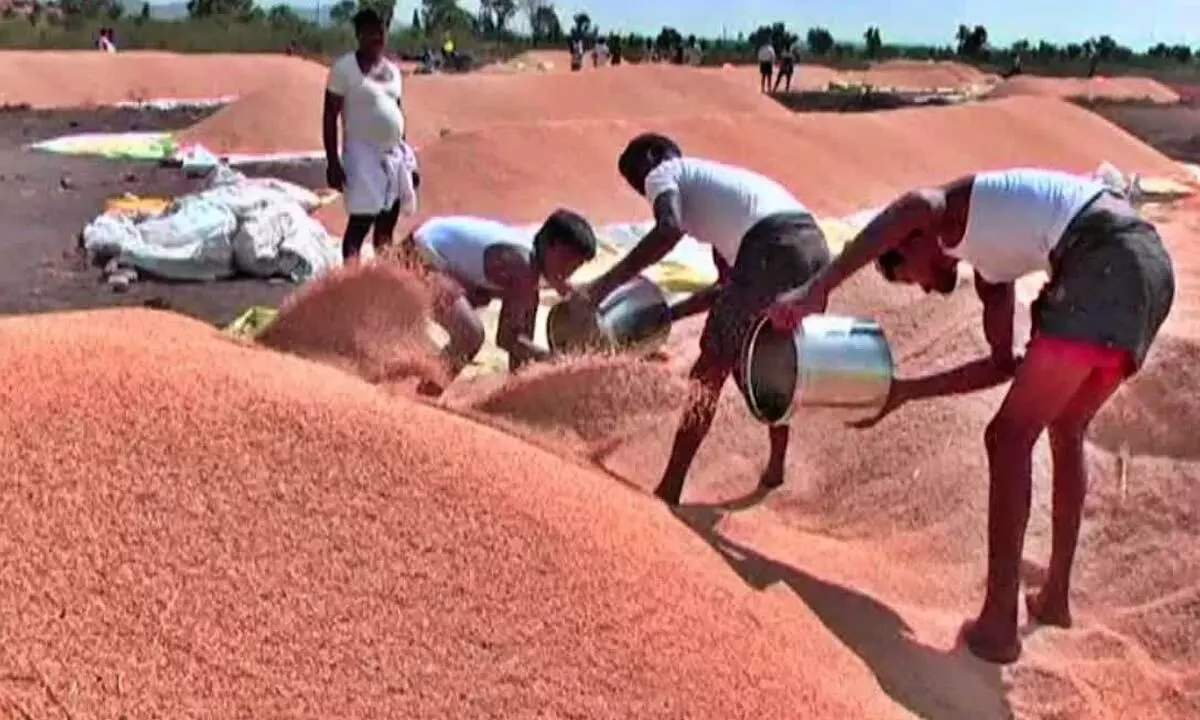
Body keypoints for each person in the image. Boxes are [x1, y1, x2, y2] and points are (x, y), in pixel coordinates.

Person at [767, 168, 1176, 664]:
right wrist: (904, 393)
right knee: (1065, 425)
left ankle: (998, 625)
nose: (923, 288)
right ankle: (1055, 599)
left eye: (908, 275)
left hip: (1104, 257)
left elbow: (910, 205)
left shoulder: (943, 211)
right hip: (1148, 271)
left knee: (1009, 438)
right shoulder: (992, 275)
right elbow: (1002, 366)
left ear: (912, 241)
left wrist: (818, 287)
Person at [566, 133, 831, 505]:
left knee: (709, 369)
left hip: (772, 248)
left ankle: (671, 486)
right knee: (756, 360)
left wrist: (600, 287)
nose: (645, 191)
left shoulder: (666, 171)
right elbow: (726, 291)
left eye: (638, 180)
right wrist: (668, 315)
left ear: (655, 157)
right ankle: (776, 466)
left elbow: (668, 230)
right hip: (814, 253)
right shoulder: (724, 204)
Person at [406, 211, 599, 395]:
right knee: (470, 335)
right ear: (550, 247)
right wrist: (558, 362)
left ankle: (424, 387)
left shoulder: (530, 270)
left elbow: (520, 351)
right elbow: (507, 339)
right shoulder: (523, 267)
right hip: (417, 255)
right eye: (567, 261)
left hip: (427, 250)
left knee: (480, 304)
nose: (569, 272)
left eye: (576, 266)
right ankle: (424, 396)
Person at [323, 9, 416, 263]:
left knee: (387, 222)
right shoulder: (344, 69)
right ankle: (351, 277)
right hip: (361, 155)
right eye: (370, 31)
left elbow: (397, 113)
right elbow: (330, 116)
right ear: (359, 35)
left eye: (381, 30)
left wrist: (408, 160)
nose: (377, 36)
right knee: (361, 221)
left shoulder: (393, 72)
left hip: (393, 156)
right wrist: (333, 162)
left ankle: (382, 276)